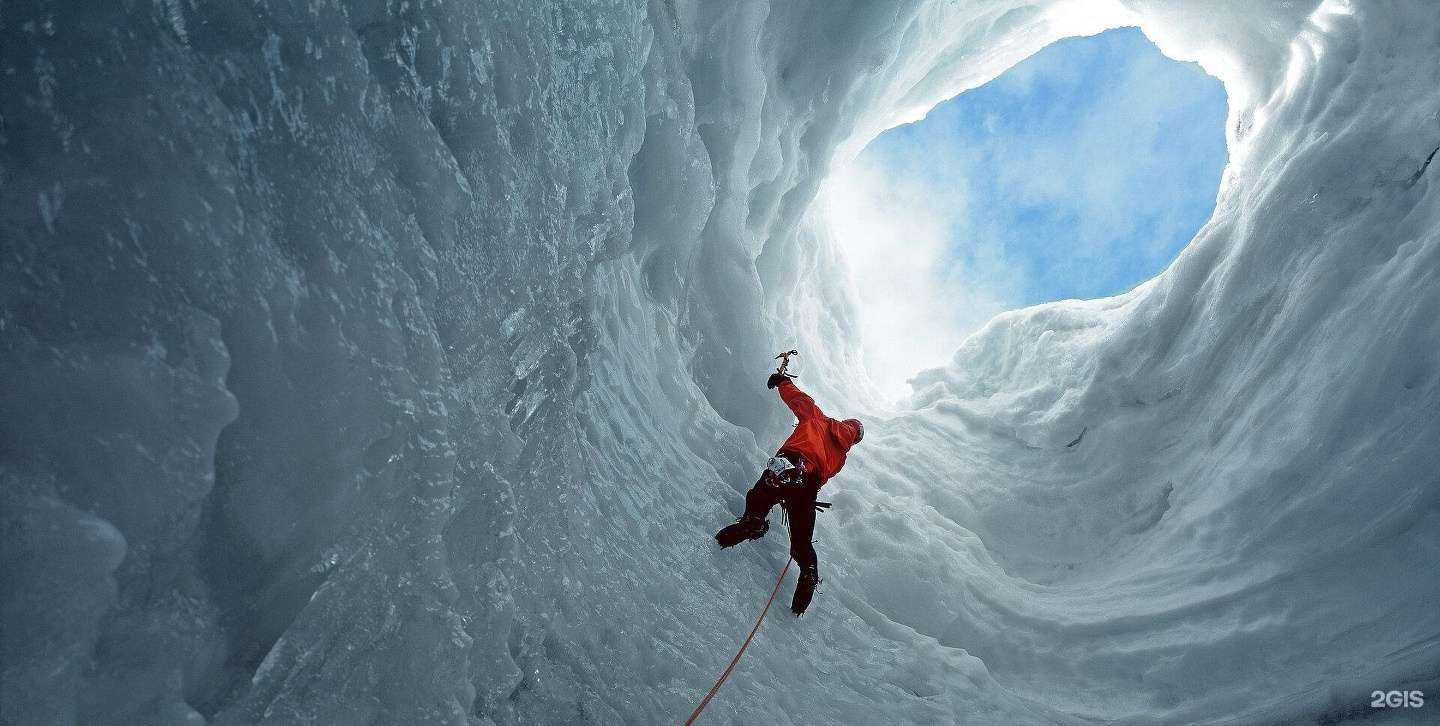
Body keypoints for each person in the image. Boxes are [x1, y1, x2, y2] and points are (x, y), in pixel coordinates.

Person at [714, 371, 864, 615]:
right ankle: (808, 572)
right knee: (801, 542)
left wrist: (783, 381)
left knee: (760, 496)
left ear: (845, 423)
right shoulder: (840, 457)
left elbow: (800, 400)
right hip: (808, 485)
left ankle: (754, 521)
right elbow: (823, 476)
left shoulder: (820, 420)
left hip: (790, 462)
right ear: (854, 439)